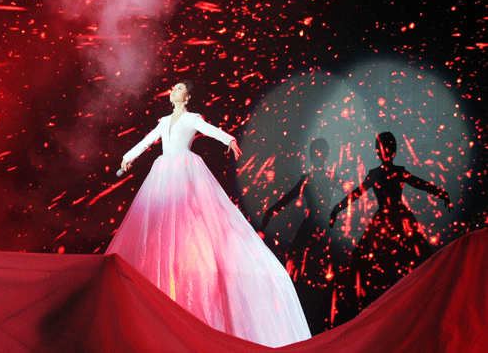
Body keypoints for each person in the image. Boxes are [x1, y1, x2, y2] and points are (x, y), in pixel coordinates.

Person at [106, 81, 311, 348]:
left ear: (187, 96)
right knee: (160, 227)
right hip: (163, 174)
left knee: (187, 223)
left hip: (183, 170)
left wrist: (229, 139)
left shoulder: (192, 118)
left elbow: (209, 130)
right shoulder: (165, 120)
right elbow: (149, 141)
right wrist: (128, 155)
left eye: (178, 89)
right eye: (172, 89)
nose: (173, 92)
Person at [329, 131, 451, 325]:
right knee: (390, 266)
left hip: (394, 221)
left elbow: (419, 183)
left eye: (384, 148)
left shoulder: (385, 173)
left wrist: (440, 192)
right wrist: (337, 208)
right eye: (381, 148)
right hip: (391, 221)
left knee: (396, 266)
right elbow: (357, 194)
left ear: (388, 151)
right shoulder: (380, 173)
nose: (383, 151)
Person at [260, 138, 351, 333]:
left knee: (319, 266)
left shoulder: (324, 177)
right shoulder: (311, 178)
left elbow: (350, 191)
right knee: (304, 265)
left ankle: (322, 307)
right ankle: (308, 307)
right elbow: (289, 197)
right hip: (317, 226)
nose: (319, 157)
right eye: (317, 153)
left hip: (320, 226)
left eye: (321, 153)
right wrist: (271, 211)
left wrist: (336, 210)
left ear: (324, 156)